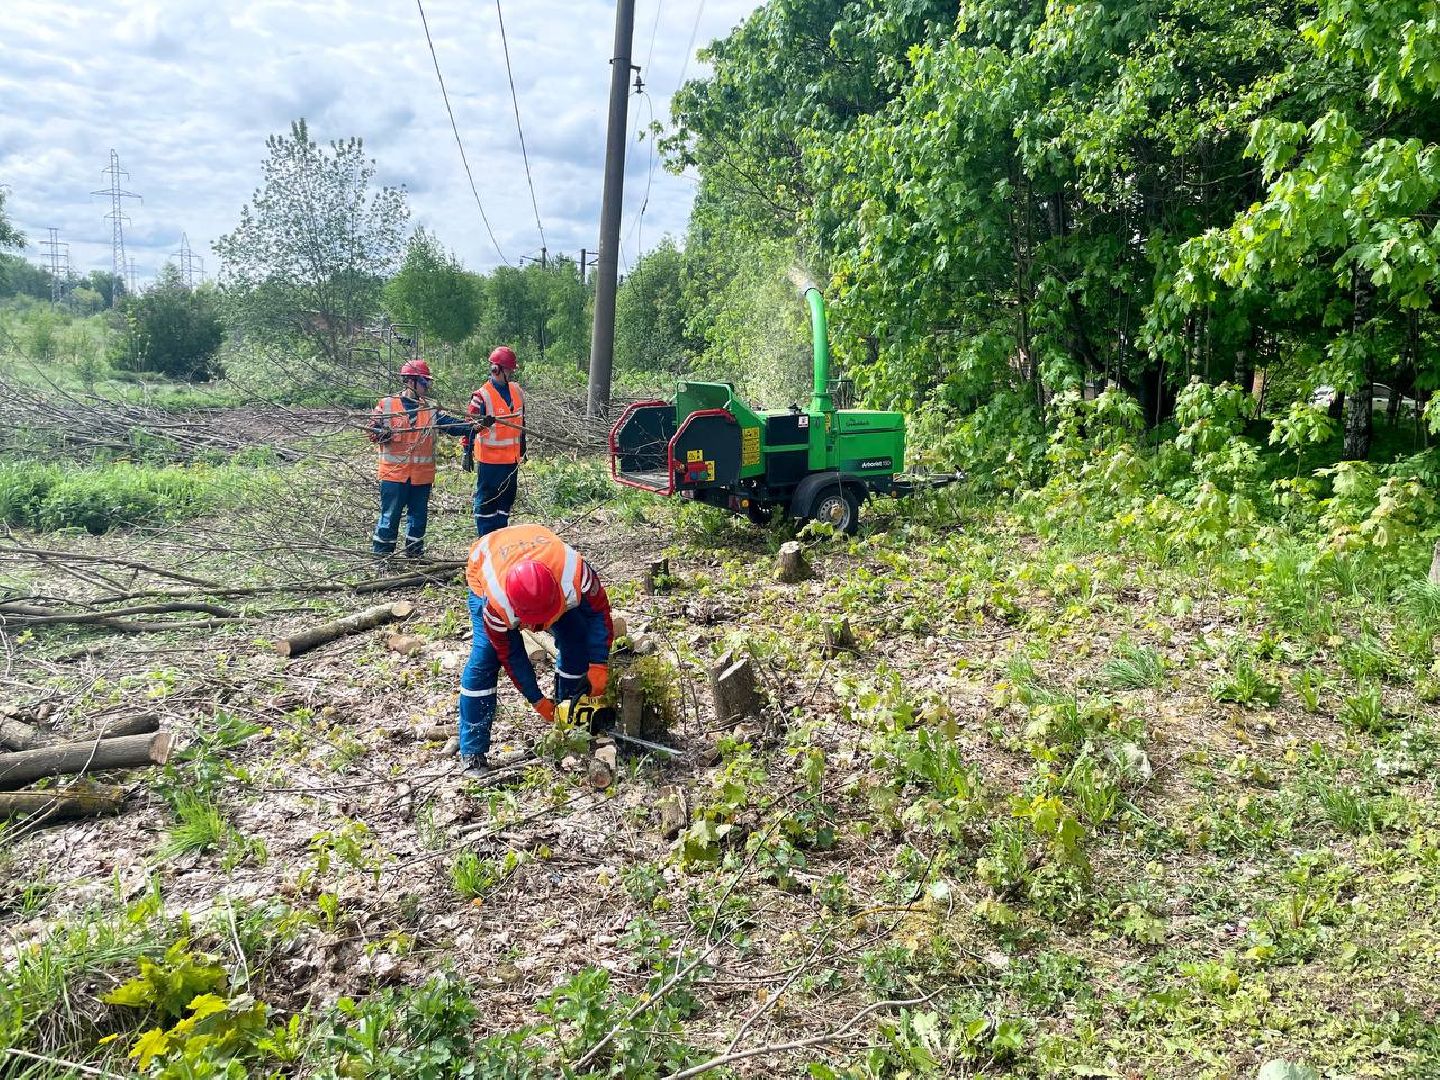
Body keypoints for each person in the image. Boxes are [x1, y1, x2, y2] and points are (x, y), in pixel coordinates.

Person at [458, 524, 612, 775]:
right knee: (485, 656)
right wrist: (535, 698)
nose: (539, 629)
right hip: (486, 558)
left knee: (575, 635)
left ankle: (569, 714)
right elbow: (510, 654)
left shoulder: (575, 573)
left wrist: (598, 664)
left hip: (539, 547)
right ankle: (473, 751)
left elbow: (599, 614)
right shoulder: (497, 604)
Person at [368, 359, 474, 559]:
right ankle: (382, 557)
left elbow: (450, 425)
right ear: (411, 381)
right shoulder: (387, 404)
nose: (427, 386)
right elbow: (372, 430)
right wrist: (382, 432)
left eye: (428, 382)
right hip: (394, 475)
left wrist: (473, 426)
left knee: (418, 518)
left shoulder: (430, 409)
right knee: (389, 517)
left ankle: (415, 555)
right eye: (425, 382)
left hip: (421, 477)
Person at [466, 346, 526, 537]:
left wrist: (523, 447)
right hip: (490, 464)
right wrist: (466, 452)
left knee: (505, 504)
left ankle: (500, 538)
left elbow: (522, 422)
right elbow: (468, 426)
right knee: (486, 504)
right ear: (496, 369)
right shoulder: (481, 397)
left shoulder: (517, 391)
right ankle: (485, 539)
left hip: (511, 462)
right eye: (508, 369)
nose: (510, 373)